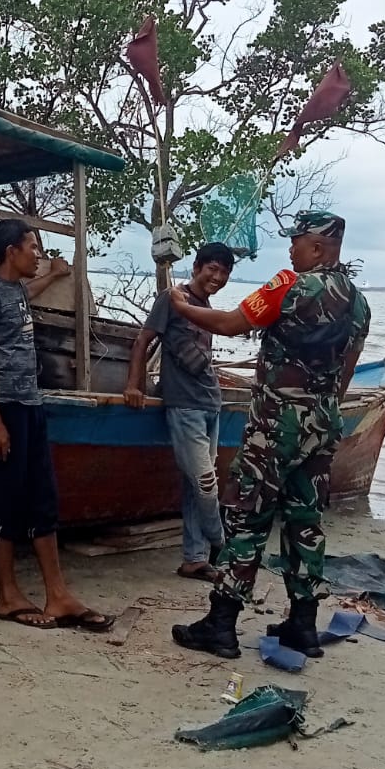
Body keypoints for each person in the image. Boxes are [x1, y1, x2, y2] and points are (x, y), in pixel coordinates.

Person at [166, 210, 370, 661]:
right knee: (305, 522)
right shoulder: (358, 303)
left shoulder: (288, 287)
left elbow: (229, 324)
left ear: (317, 247)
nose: (290, 249)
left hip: (276, 423)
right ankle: (303, 625)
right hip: (322, 424)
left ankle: (221, 624)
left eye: (296, 240)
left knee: (248, 517)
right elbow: (347, 372)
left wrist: (180, 305)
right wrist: (320, 408)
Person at [0, 218, 114, 632]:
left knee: (42, 497)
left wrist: (53, 275)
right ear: (12, 251)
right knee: (6, 498)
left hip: (31, 404)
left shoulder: (13, 290)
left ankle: (58, 594)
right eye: (34, 247)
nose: (39, 253)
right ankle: (7, 594)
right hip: (7, 409)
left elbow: (24, 295)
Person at [123, 241, 237, 582]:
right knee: (206, 484)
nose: (216, 277)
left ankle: (193, 559)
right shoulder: (173, 299)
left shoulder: (204, 307)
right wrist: (134, 385)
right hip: (184, 405)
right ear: (197, 267)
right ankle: (222, 545)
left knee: (194, 485)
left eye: (224, 272)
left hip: (210, 403)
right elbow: (143, 340)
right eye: (211, 269)